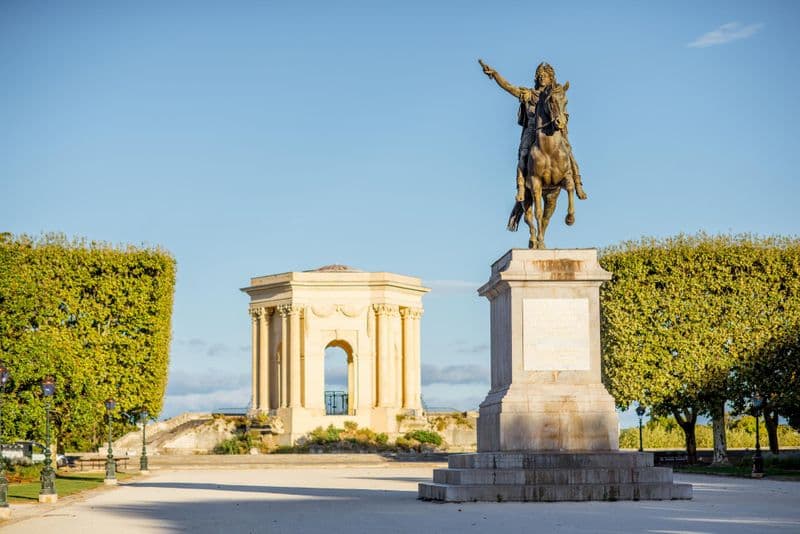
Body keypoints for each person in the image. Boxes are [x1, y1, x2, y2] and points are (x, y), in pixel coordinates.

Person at [479, 60, 587, 202]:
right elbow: (509, 87)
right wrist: (496, 75)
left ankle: (577, 184)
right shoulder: (530, 94)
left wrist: (563, 121)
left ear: (550, 78)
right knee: (524, 154)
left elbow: (563, 112)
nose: (542, 78)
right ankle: (521, 188)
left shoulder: (555, 95)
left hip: (552, 129)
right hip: (532, 129)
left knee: (568, 152)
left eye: (545, 75)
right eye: (540, 75)